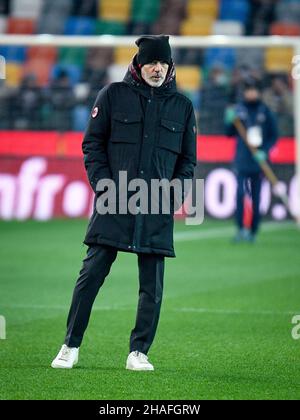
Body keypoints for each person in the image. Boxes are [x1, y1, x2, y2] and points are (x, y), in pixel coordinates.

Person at [51, 35, 197, 371]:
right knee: (91, 273)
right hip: (114, 201)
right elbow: (92, 145)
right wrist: (103, 187)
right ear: (139, 64)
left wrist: (174, 194)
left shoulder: (183, 107)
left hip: (157, 205)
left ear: (170, 65)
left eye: (163, 63)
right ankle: (70, 345)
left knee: (152, 285)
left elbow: (188, 162)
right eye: (151, 63)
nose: (157, 69)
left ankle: (139, 353)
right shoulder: (112, 96)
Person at [225, 78, 278, 242]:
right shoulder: (239, 110)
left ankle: (253, 231)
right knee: (240, 194)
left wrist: (265, 151)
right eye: (248, 90)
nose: (251, 93)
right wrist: (228, 121)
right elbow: (229, 133)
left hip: (258, 161)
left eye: (253, 90)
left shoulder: (265, 111)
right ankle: (241, 229)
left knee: (256, 197)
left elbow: (273, 135)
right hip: (242, 159)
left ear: (258, 92)